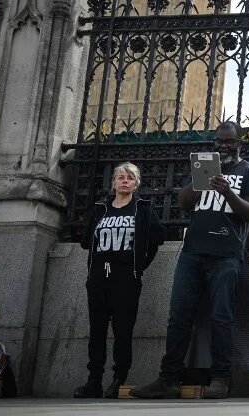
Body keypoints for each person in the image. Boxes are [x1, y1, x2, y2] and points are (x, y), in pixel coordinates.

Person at [131, 121, 249, 399]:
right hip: (192, 252)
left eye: (229, 141)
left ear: (241, 143)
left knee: (221, 317)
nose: (223, 146)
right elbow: (183, 203)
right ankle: (168, 378)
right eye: (219, 141)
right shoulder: (204, 167)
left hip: (226, 254)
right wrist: (200, 180)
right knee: (179, 317)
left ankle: (220, 378)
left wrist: (227, 191)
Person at [74, 162, 165, 399]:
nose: (125, 181)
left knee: (122, 330)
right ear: (113, 182)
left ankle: (118, 379)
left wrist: (138, 268)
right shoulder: (100, 209)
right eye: (121, 177)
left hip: (126, 277)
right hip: (98, 278)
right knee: (97, 330)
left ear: (136, 184)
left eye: (130, 178)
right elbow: (87, 242)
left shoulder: (143, 209)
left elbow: (155, 242)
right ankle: (93, 381)